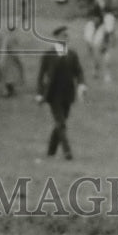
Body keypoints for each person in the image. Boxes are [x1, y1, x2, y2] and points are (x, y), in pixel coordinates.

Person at [36, 25, 86, 160]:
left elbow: (79, 71)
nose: (66, 37)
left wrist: (81, 85)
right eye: (64, 35)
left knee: (61, 123)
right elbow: (41, 75)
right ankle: (67, 152)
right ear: (57, 37)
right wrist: (40, 93)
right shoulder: (48, 55)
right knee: (61, 123)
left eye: (67, 35)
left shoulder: (72, 54)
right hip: (53, 95)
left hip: (68, 94)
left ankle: (51, 151)